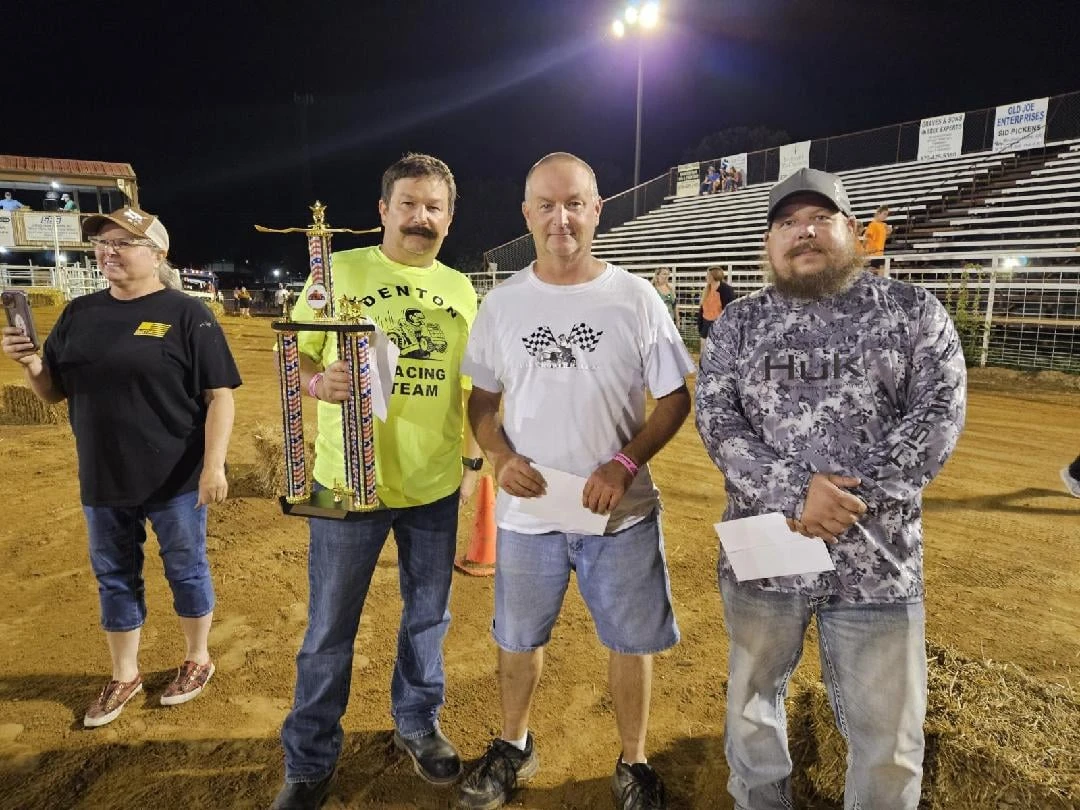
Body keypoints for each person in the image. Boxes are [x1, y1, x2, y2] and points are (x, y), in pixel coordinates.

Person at [695, 167, 967, 810]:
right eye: (786, 222)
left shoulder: (910, 312)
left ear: (853, 231)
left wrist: (849, 498)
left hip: (878, 563)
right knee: (753, 703)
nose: (803, 231)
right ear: (769, 243)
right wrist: (797, 492)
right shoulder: (738, 324)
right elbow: (717, 419)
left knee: (889, 738)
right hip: (768, 557)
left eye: (820, 217)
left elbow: (939, 415)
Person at [458, 152, 694, 810]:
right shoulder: (502, 304)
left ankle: (634, 760)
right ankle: (513, 744)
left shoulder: (634, 298)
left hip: (620, 518)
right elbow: (481, 403)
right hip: (529, 516)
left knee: (628, 642)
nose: (561, 217)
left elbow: (675, 398)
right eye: (546, 204)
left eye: (575, 202)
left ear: (596, 209)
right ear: (527, 214)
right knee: (516, 640)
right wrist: (501, 458)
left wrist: (623, 464)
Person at [271, 153, 481, 810]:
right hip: (347, 485)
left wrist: (473, 466)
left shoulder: (461, 288)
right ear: (384, 210)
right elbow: (297, 351)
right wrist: (316, 382)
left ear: (450, 217)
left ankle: (417, 723)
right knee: (331, 627)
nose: (423, 217)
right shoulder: (336, 271)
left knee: (427, 618)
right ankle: (309, 759)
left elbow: (470, 390)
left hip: (434, 486)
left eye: (435, 207)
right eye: (410, 204)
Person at [0, 205, 241, 728]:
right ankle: (124, 673)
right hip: (103, 477)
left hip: (175, 477)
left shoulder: (188, 314)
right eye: (102, 243)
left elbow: (219, 397)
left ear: (157, 254)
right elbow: (53, 393)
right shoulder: (78, 314)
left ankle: (198, 658)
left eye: (123, 242)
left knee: (186, 567)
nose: (108, 251)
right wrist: (32, 365)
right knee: (114, 577)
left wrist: (213, 467)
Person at [697, 266, 737, 340]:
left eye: (708, 275)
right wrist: (700, 326)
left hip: (719, 326)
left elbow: (731, 311)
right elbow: (702, 309)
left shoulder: (727, 290)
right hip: (705, 326)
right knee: (704, 349)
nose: (706, 277)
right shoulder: (706, 290)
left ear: (714, 276)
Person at [861, 204, 893, 275]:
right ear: (878, 213)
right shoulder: (872, 224)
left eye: (887, 215)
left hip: (880, 253)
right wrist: (863, 251)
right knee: (876, 274)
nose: (885, 216)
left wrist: (888, 233)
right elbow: (866, 239)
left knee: (881, 275)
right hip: (873, 254)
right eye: (884, 214)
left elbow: (882, 239)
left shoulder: (883, 225)